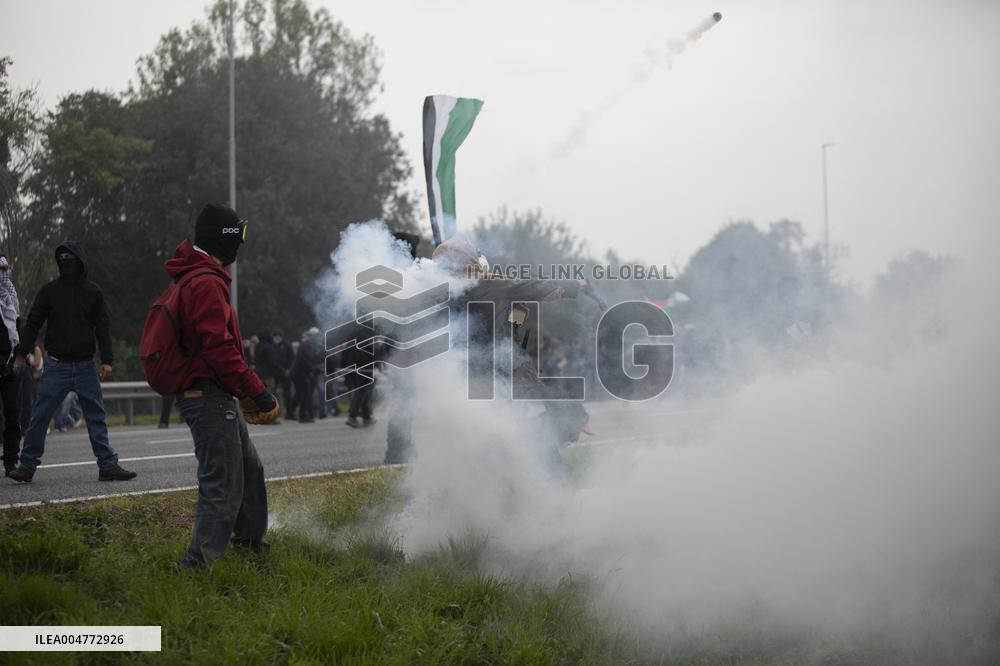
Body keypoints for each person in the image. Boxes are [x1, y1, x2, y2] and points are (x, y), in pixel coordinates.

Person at [163, 203, 279, 568]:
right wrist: (257, 392)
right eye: (239, 236)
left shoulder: (198, 276)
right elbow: (220, 350)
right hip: (209, 396)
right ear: (225, 238)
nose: (241, 246)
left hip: (217, 394)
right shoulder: (207, 282)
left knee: (249, 471)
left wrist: (241, 391)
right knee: (223, 483)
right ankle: (198, 567)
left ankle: (249, 547)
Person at [7, 242, 136, 483]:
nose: (66, 261)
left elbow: (103, 327)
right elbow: (33, 323)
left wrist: (107, 359)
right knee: (40, 416)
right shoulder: (48, 292)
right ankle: (26, 466)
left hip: (86, 365)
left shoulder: (93, 292)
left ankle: (107, 465)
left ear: (80, 260)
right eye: (62, 257)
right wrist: (21, 353)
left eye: (70, 257)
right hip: (56, 365)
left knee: (95, 417)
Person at [0, 254, 23, 476]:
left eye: (4, 269)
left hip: (8, 367)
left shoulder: (11, 301)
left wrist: (19, 359)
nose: (2, 274)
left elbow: (19, 334)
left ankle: (10, 460)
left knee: (12, 413)